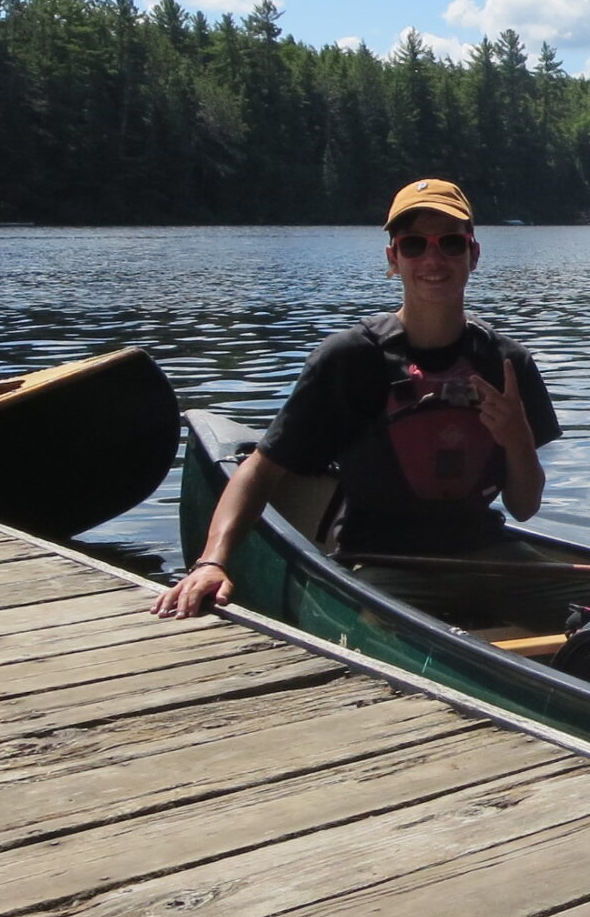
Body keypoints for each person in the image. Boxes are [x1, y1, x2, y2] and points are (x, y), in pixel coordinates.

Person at [153, 178, 567, 627]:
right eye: (414, 245)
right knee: (392, 631)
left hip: (488, 555)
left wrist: (517, 439)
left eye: (451, 243)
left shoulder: (507, 362)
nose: (433, 260)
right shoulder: (350, 358)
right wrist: (212, 562)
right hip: (383, 564)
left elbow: (524, 507)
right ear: (393, 259)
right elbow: (260, 470)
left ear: (473, 254)